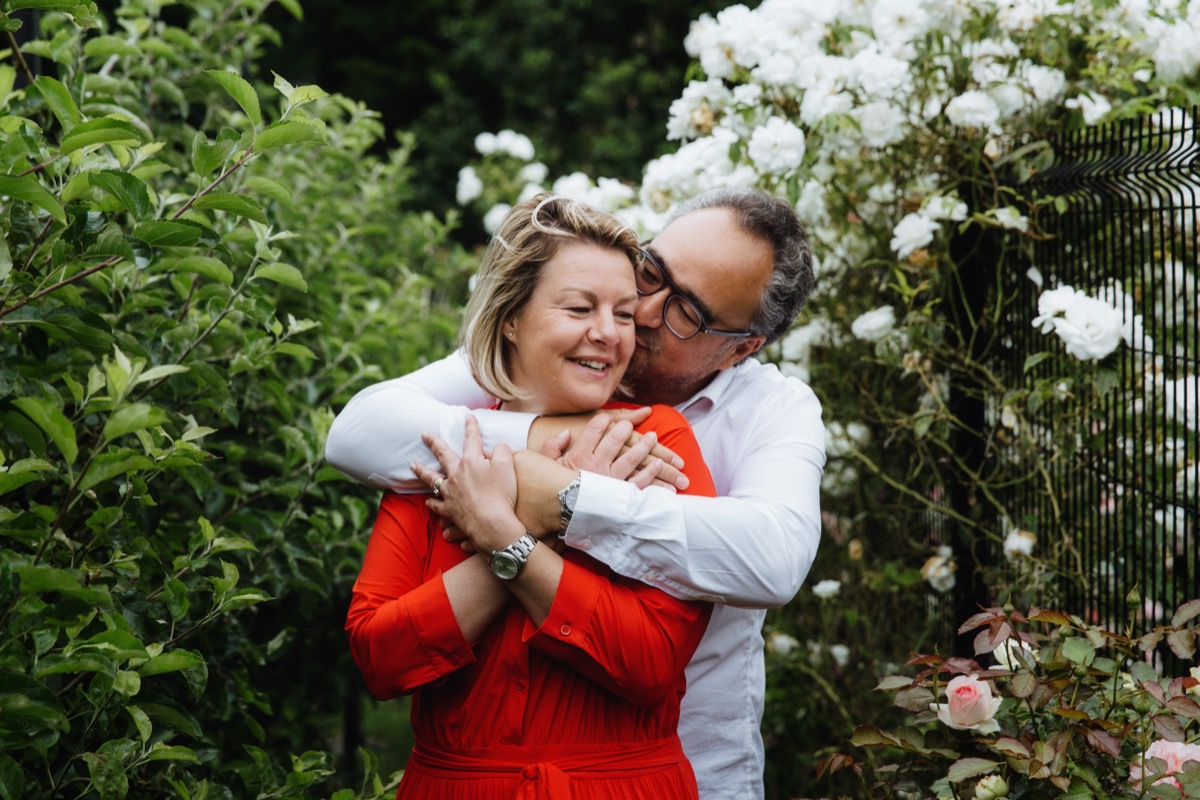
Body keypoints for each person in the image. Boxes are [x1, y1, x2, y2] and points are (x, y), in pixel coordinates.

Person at [328, 187, 826, 800]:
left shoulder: (744, 418)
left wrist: (561, 504)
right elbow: (356, 432)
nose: (639, 315)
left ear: (742, 347)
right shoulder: (483, 395)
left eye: (687, 312)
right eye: (651, 272)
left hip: (683, 766)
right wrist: (534, 457)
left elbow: (770, 564)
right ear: (514, 318)